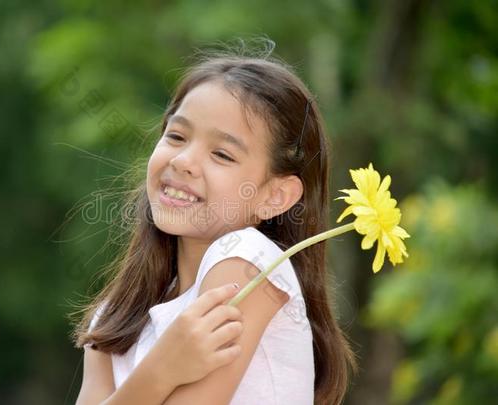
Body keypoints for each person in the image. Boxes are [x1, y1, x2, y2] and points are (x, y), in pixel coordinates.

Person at [73, 45, 357, 405]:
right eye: (176, 136)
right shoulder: (117, 312)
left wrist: (159, 373)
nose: (183, 161)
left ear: (275, 196)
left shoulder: (249, 262)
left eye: (222, 154)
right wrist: (160, 370)